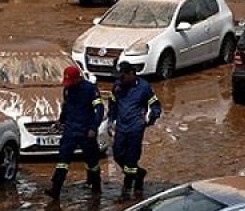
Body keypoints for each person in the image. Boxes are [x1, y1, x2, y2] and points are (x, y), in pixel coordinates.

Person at [45, 65, 104, 200]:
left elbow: (99, 110)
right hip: (70, 130)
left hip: (86, 131)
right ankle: (55, 189)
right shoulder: (67, 89)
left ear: (78, 78)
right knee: (62, 160)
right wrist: (61, 120)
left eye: (71, 81)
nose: (69, 85)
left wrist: (93, 128)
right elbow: (66, 106)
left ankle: (96, 187)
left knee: (92, 161)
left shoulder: (90, 89)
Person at [109, 62, 162, 197]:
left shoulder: (144, 87)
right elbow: (113, 103)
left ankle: (128, 186)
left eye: (123, 76)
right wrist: (111, 120)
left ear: (131, 74)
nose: (121, 79)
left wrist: (152, 117)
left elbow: (155, 104)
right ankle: (139, 174)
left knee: (132, 158)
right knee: (118, 154)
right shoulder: (117, 86)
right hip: (121, 126)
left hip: (135, 127)